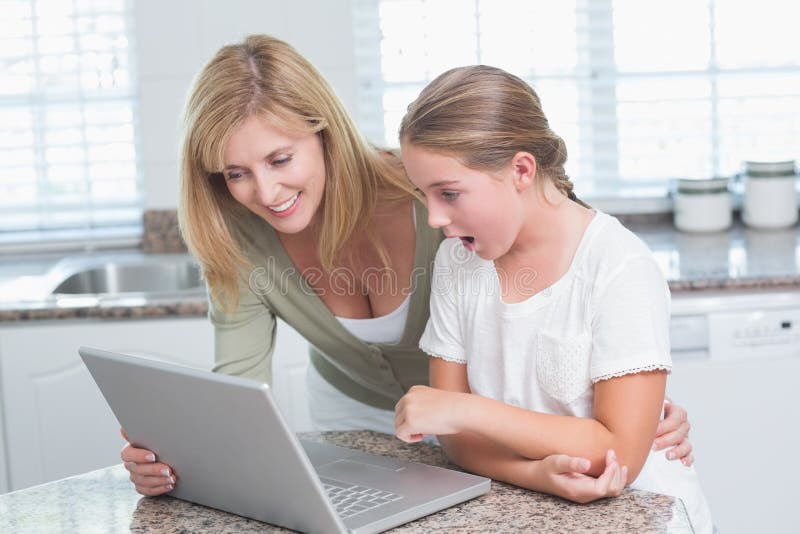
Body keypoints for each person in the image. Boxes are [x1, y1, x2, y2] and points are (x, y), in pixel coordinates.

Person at [120, 35, 695, 501]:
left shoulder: (433, 192)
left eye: (280, 158)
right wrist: (177, 456)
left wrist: (623, 415)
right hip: (378, 418)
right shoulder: (239, 238)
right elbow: (235, 393)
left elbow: (558, 252)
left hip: (488, 418)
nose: (266, 193)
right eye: (235, 173)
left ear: (323, 133)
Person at [392, 65, 713, 531]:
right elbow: (456, 439)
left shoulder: (617, 265)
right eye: (425, 195)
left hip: (645, 513)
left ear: (521, 170)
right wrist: (532, 475)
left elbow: (620, 454)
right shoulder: (456, 263)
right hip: (531, 506)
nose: (435, 218)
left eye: (450, 194)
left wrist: (465, 409)